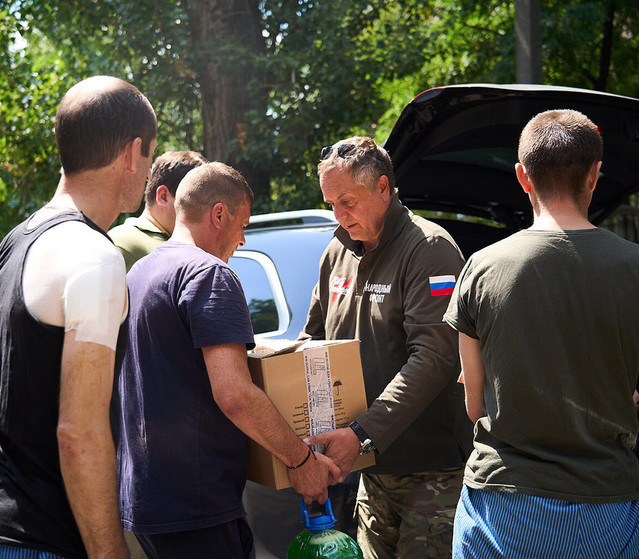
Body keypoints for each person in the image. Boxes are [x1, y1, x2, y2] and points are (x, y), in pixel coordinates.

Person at [0, 75, 157, 559]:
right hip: (38, 542)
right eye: (149, 156)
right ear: (131, 154)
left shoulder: (14, 242)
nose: (147, 172)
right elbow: (79, 434)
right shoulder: (94, 256)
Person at [444, 109, 639, 558]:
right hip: (606, 510)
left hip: (499, 510)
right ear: (595, 174)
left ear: (523, 178)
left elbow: (474, 406)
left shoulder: (480, 269)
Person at [117, 161, 338, 559]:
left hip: (145, 499)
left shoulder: (139, 272)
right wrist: (302, 460)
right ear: (219, 214)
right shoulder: (209, 274)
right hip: (196, 506)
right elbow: (234, 393)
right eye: (243, 225)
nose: (242, 240)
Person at [301, 136, 472, 558]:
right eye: (331, 205)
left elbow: (434, 358)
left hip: (433, 476)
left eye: (347, 201)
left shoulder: (430, 250)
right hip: (370, 474)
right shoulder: (336, 253)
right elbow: (313, 344)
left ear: (382, 188)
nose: (339, 216)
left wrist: (361, 433)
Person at [109, 150, 208, 270]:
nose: (204, 212)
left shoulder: (185, 243)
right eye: (194, 201)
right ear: (163, 196)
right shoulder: (124, 241)